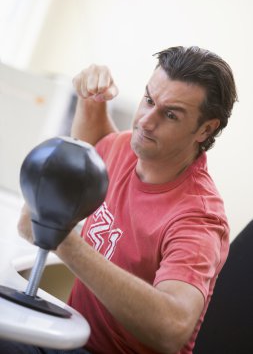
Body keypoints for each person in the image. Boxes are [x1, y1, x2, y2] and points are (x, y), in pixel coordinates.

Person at [1, 46, 237, 354]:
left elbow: (172, 327)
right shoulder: (128, 148)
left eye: (170, 114)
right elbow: (95, 144)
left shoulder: (198, 219)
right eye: (149, 100)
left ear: (205, 128)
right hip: (72, 337)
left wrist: (61, 239)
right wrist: (92, 99)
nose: (146, 122)